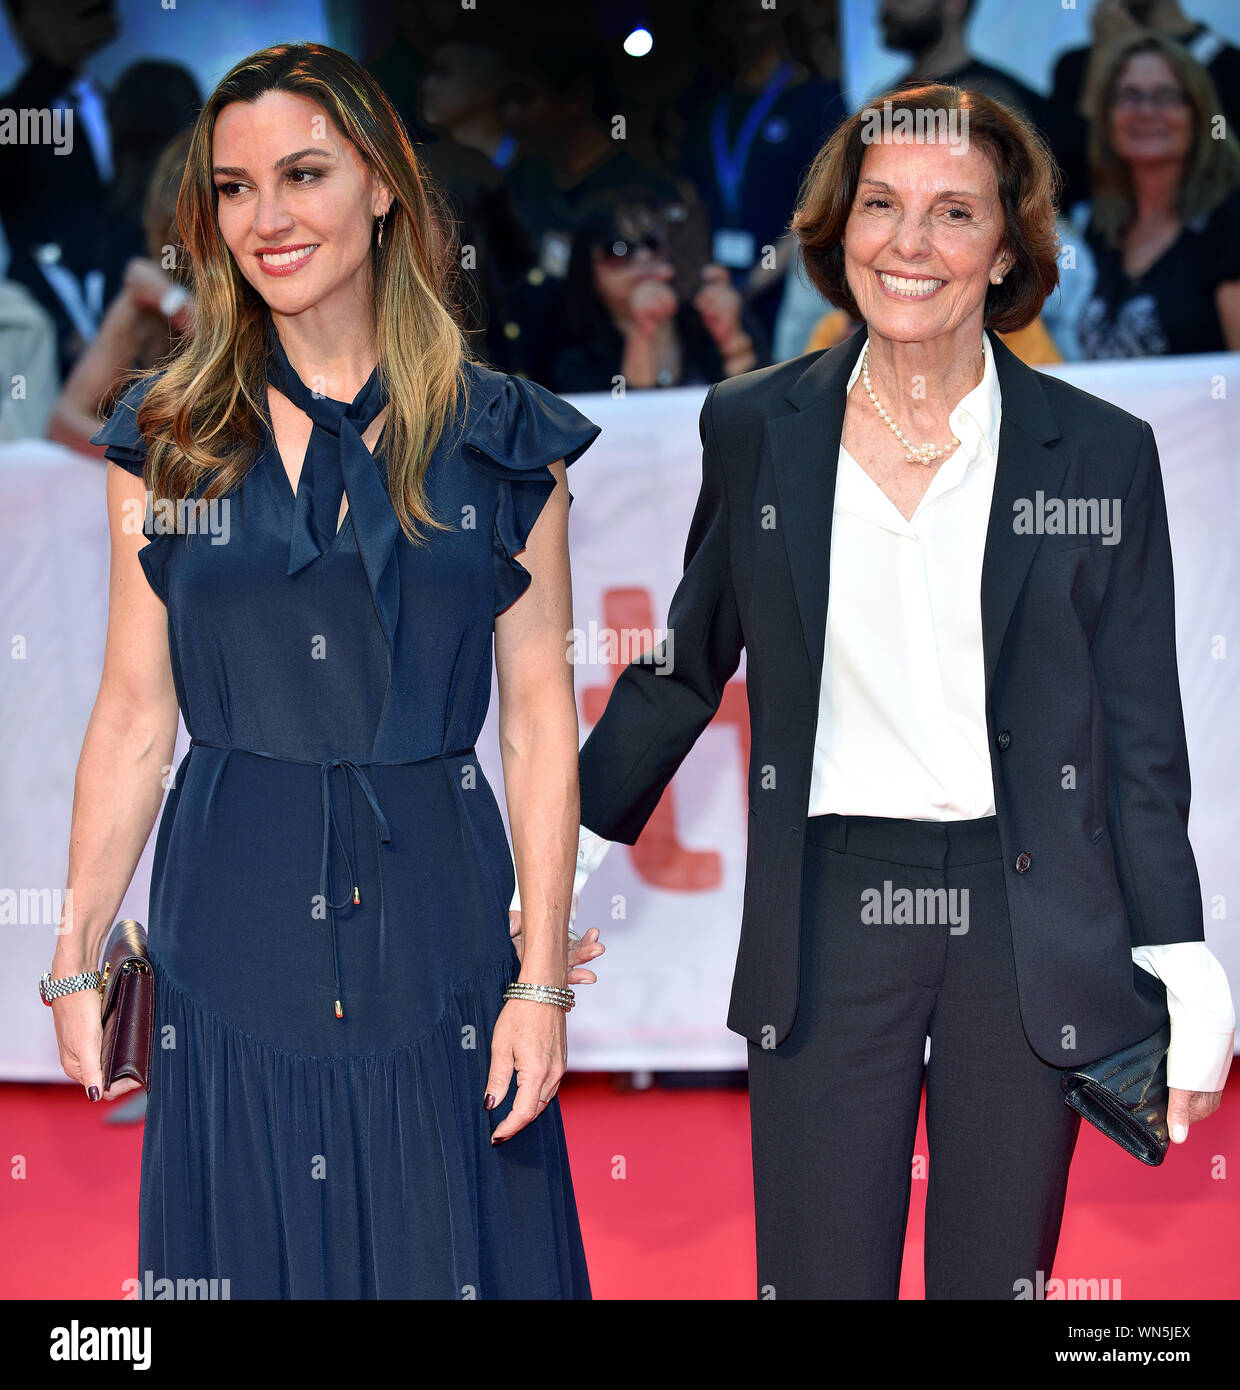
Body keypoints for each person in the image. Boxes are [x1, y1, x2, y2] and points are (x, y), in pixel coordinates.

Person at [571, 84, 1234, 1298]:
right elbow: (684, 662)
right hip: (829, 912)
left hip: (1021, 916)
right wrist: (554, 850)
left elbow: (1140, 733)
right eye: (880, 205)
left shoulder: (1098, 452)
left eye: (952, 214)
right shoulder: (758, 426)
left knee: (995, 1280)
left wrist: (1184, 953)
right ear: (838, 226)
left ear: (1006, 250)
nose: (908, 245)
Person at [44, 41, 603, 1301]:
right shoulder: (170, 433)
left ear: (384, 183)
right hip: (231, 905)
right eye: (234, 189)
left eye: (303, 173)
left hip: (442, 909)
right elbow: (137, 713)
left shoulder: (506, 436)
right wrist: (76, 952)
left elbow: (534, 725)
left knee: (452, 1239)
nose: (267, 218)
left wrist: (541, 983)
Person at [1075, 32, 1240, 358]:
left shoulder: (1231, 221)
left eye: (1166, 96)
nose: (1146, 111)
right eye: (1130, 96)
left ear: (1198, 114)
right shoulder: (1097, 228)